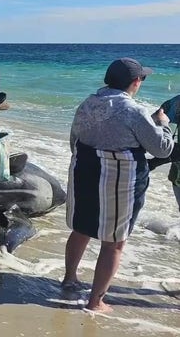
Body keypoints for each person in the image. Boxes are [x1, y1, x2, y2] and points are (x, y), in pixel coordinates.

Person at [62, 57, 173, 312]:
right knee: (114, 243)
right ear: (136, 82)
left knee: (81, 229)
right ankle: (95, 301)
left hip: (86, 175)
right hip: (120, 181)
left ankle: (69, 279)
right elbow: (162, 150)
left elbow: (74, 142)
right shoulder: (133, 111)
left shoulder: (87, 104)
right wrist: (163, 125)